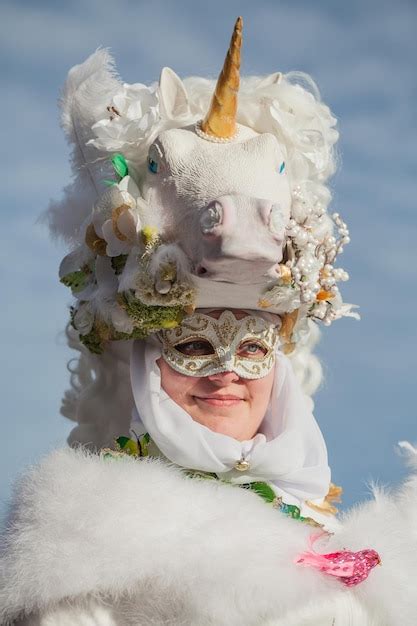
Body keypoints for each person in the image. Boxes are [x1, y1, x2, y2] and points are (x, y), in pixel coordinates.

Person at [1, 17, 416, 626]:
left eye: (252, 348)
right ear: (144, 362)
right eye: (194, 344)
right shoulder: (86, 547)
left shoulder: (326, 533)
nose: (226, 373)